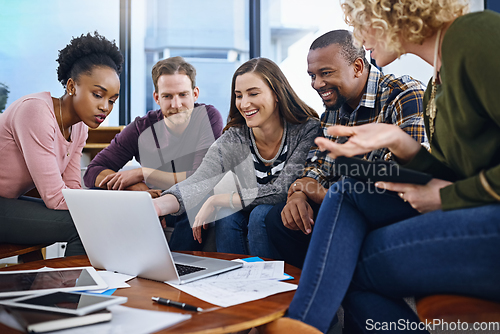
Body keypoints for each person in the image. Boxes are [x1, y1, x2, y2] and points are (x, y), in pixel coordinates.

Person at [261, 1, 500, 333]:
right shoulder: (436, 82)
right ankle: (305, 325)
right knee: (345, 198)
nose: (359, 37)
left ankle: (303, 325)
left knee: (345, 264)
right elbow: (450, 175)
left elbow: (451, 187)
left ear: (390, 13)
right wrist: (399, 142)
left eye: (361, 24)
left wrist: (449, 196)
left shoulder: (474, 36)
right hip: (477, 212)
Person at [264, 29, 427, 269]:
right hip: (343, 206)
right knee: (278, 218)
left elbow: (400, 179)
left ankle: (334, 289)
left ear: (358, 67)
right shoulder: (332, 111)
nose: (317, 84)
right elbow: (317, 166)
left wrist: (324, 195)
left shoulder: (404, 95)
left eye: (326, 73)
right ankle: (314, 292)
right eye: (312, 75)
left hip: (388, 211)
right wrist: (299, 193)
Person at [152, 57, 320, 259]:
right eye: (239, 95)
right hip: (248, 215)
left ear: (277, 94)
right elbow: (199, 180)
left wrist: (221, 199)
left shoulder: (306, 130)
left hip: (288, 225)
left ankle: (270, 285)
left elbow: (283, 191)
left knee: (260, 214)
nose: (244, 103)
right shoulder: (235, 137)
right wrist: (158, 206)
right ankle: (233, 285)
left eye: (253, 93)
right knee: (227, 216)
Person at [0, 32, 123, 257]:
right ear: (71, 86)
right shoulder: (36, 112)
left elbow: (72, 189)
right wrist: (116, 204)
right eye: (98, 95)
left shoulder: (79, 128)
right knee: (84, 226)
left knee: (87, 220)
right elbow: (55, 197)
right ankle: (64, 293)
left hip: (8, 201)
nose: (105, 107)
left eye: (112, 100)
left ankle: (52, 289)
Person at [83, 56, 223, 251]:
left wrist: (142, 173)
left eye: (183, 94)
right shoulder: (142, 128)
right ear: (157, 97)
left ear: (195, 94)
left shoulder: (208, 117)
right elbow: (93, 172)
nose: (176, 104)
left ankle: (177, 272)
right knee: (97, 194)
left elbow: (200, 179)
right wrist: (136, 189)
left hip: (190, 203)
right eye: (167, 96)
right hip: (153, 201)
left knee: (194, 201)